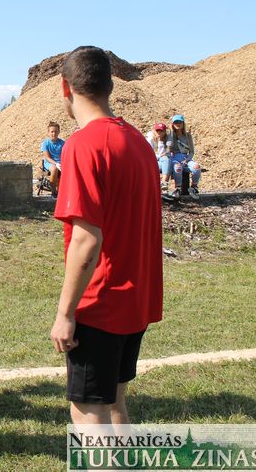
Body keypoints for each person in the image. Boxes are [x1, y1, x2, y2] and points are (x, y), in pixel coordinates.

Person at [49, 46, 163, 426]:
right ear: (110, 86)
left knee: (88, 412)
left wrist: (65, 314)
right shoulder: (139, 143)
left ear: (65, 88)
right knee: (115, 403)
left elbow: (86, 240)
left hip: (100, 304)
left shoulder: (82, 145)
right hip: (134, 301)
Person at [167, 114, 201, 200]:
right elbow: (169, 146)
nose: (178, 124)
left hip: (186, 158)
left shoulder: (187, 136)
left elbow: (191, 151)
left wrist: (187, 160)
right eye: (175, 122)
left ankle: (193, 187)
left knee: (197, 167)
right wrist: (171, 132)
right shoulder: (171, 135)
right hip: (174, 158)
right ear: (172, 124)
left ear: (183, 123)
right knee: (178, 168)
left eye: (180, 122)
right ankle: (178, 188)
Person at [41, 121, 65, 198]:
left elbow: (65, 155)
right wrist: (56, 164)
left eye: (56, 132)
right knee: (54, 169)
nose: (54, 133)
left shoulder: (62, 143)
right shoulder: (45, 143)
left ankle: (63, 190)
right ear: (48, 132)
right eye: (52, 132)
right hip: (49, 163)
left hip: (60, 162)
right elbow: (47, 157)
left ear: (59, 132)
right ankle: (53, 191)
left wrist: (62, 163)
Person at [145, 122, 171, 191]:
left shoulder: (167, 140)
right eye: (157, 130)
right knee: (166, 161)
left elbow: (169, 153)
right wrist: (160, 156)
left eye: (161, 131)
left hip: (163, 163)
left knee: (166, 160)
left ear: (165, 132)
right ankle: (164, 184)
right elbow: (149, 154)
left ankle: (164, 183)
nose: (159, 132)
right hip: (153, 162)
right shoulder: (151, 139)